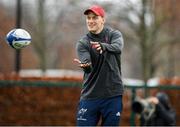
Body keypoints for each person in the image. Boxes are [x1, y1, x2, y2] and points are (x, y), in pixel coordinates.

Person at [74, 5, 124, 126]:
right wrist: (85, 66)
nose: (90, 21)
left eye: (94, 17)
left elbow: (118, 47)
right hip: (90, 96)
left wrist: (103, 46)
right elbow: (87, 64)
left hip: (113, 95)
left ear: (103, 19)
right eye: (88, 18)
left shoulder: (114, 35)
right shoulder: (83, 42)